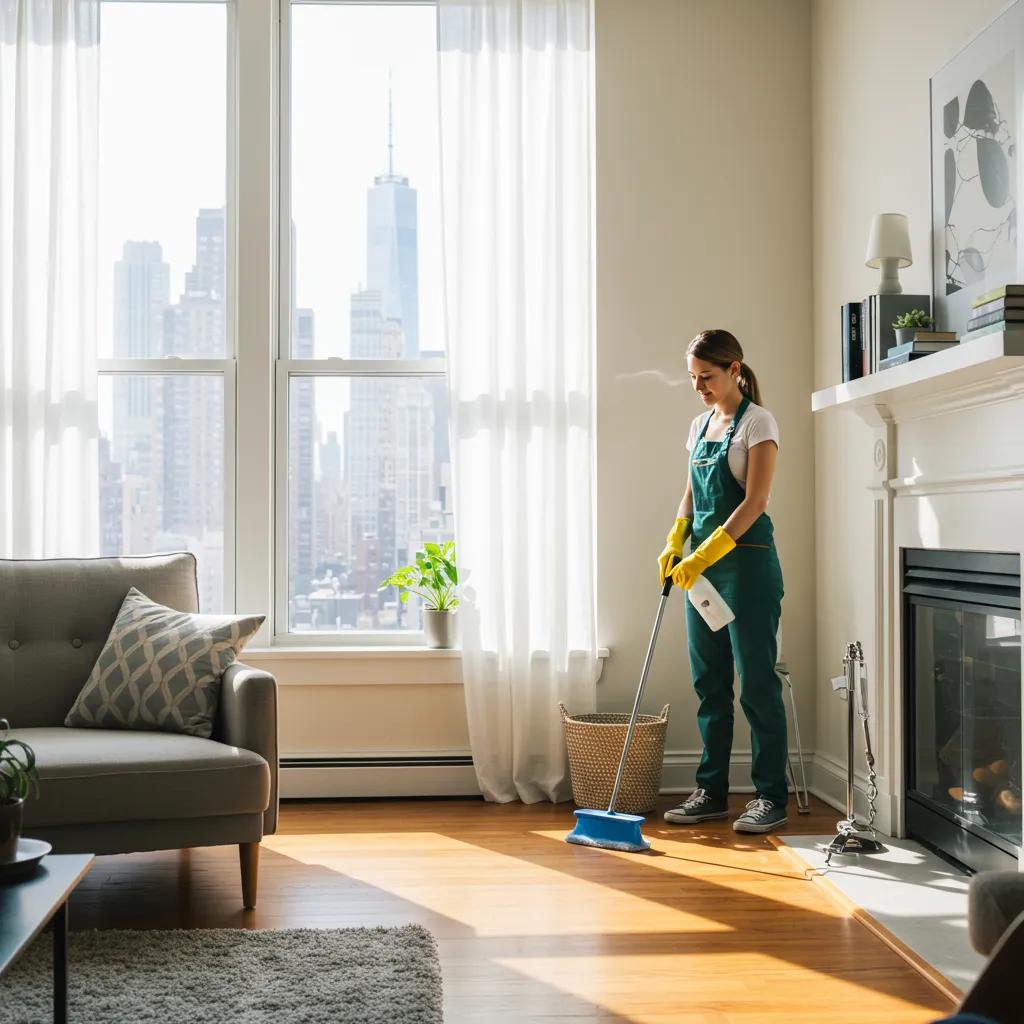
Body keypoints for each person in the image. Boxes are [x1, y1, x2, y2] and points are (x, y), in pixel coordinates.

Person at [658, 329, 788, 834]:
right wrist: (676, 539)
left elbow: (755, 501)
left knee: (756, 684)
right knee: (709, 682)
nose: (699, 388)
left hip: (748, 568)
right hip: (701, 572)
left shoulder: (759, 423)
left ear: (735, 368)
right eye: (693, 379)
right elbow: (691, 492)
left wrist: (708, 551)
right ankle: (711, 791)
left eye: (706, 377)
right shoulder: (699, 424)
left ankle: (769, 796)